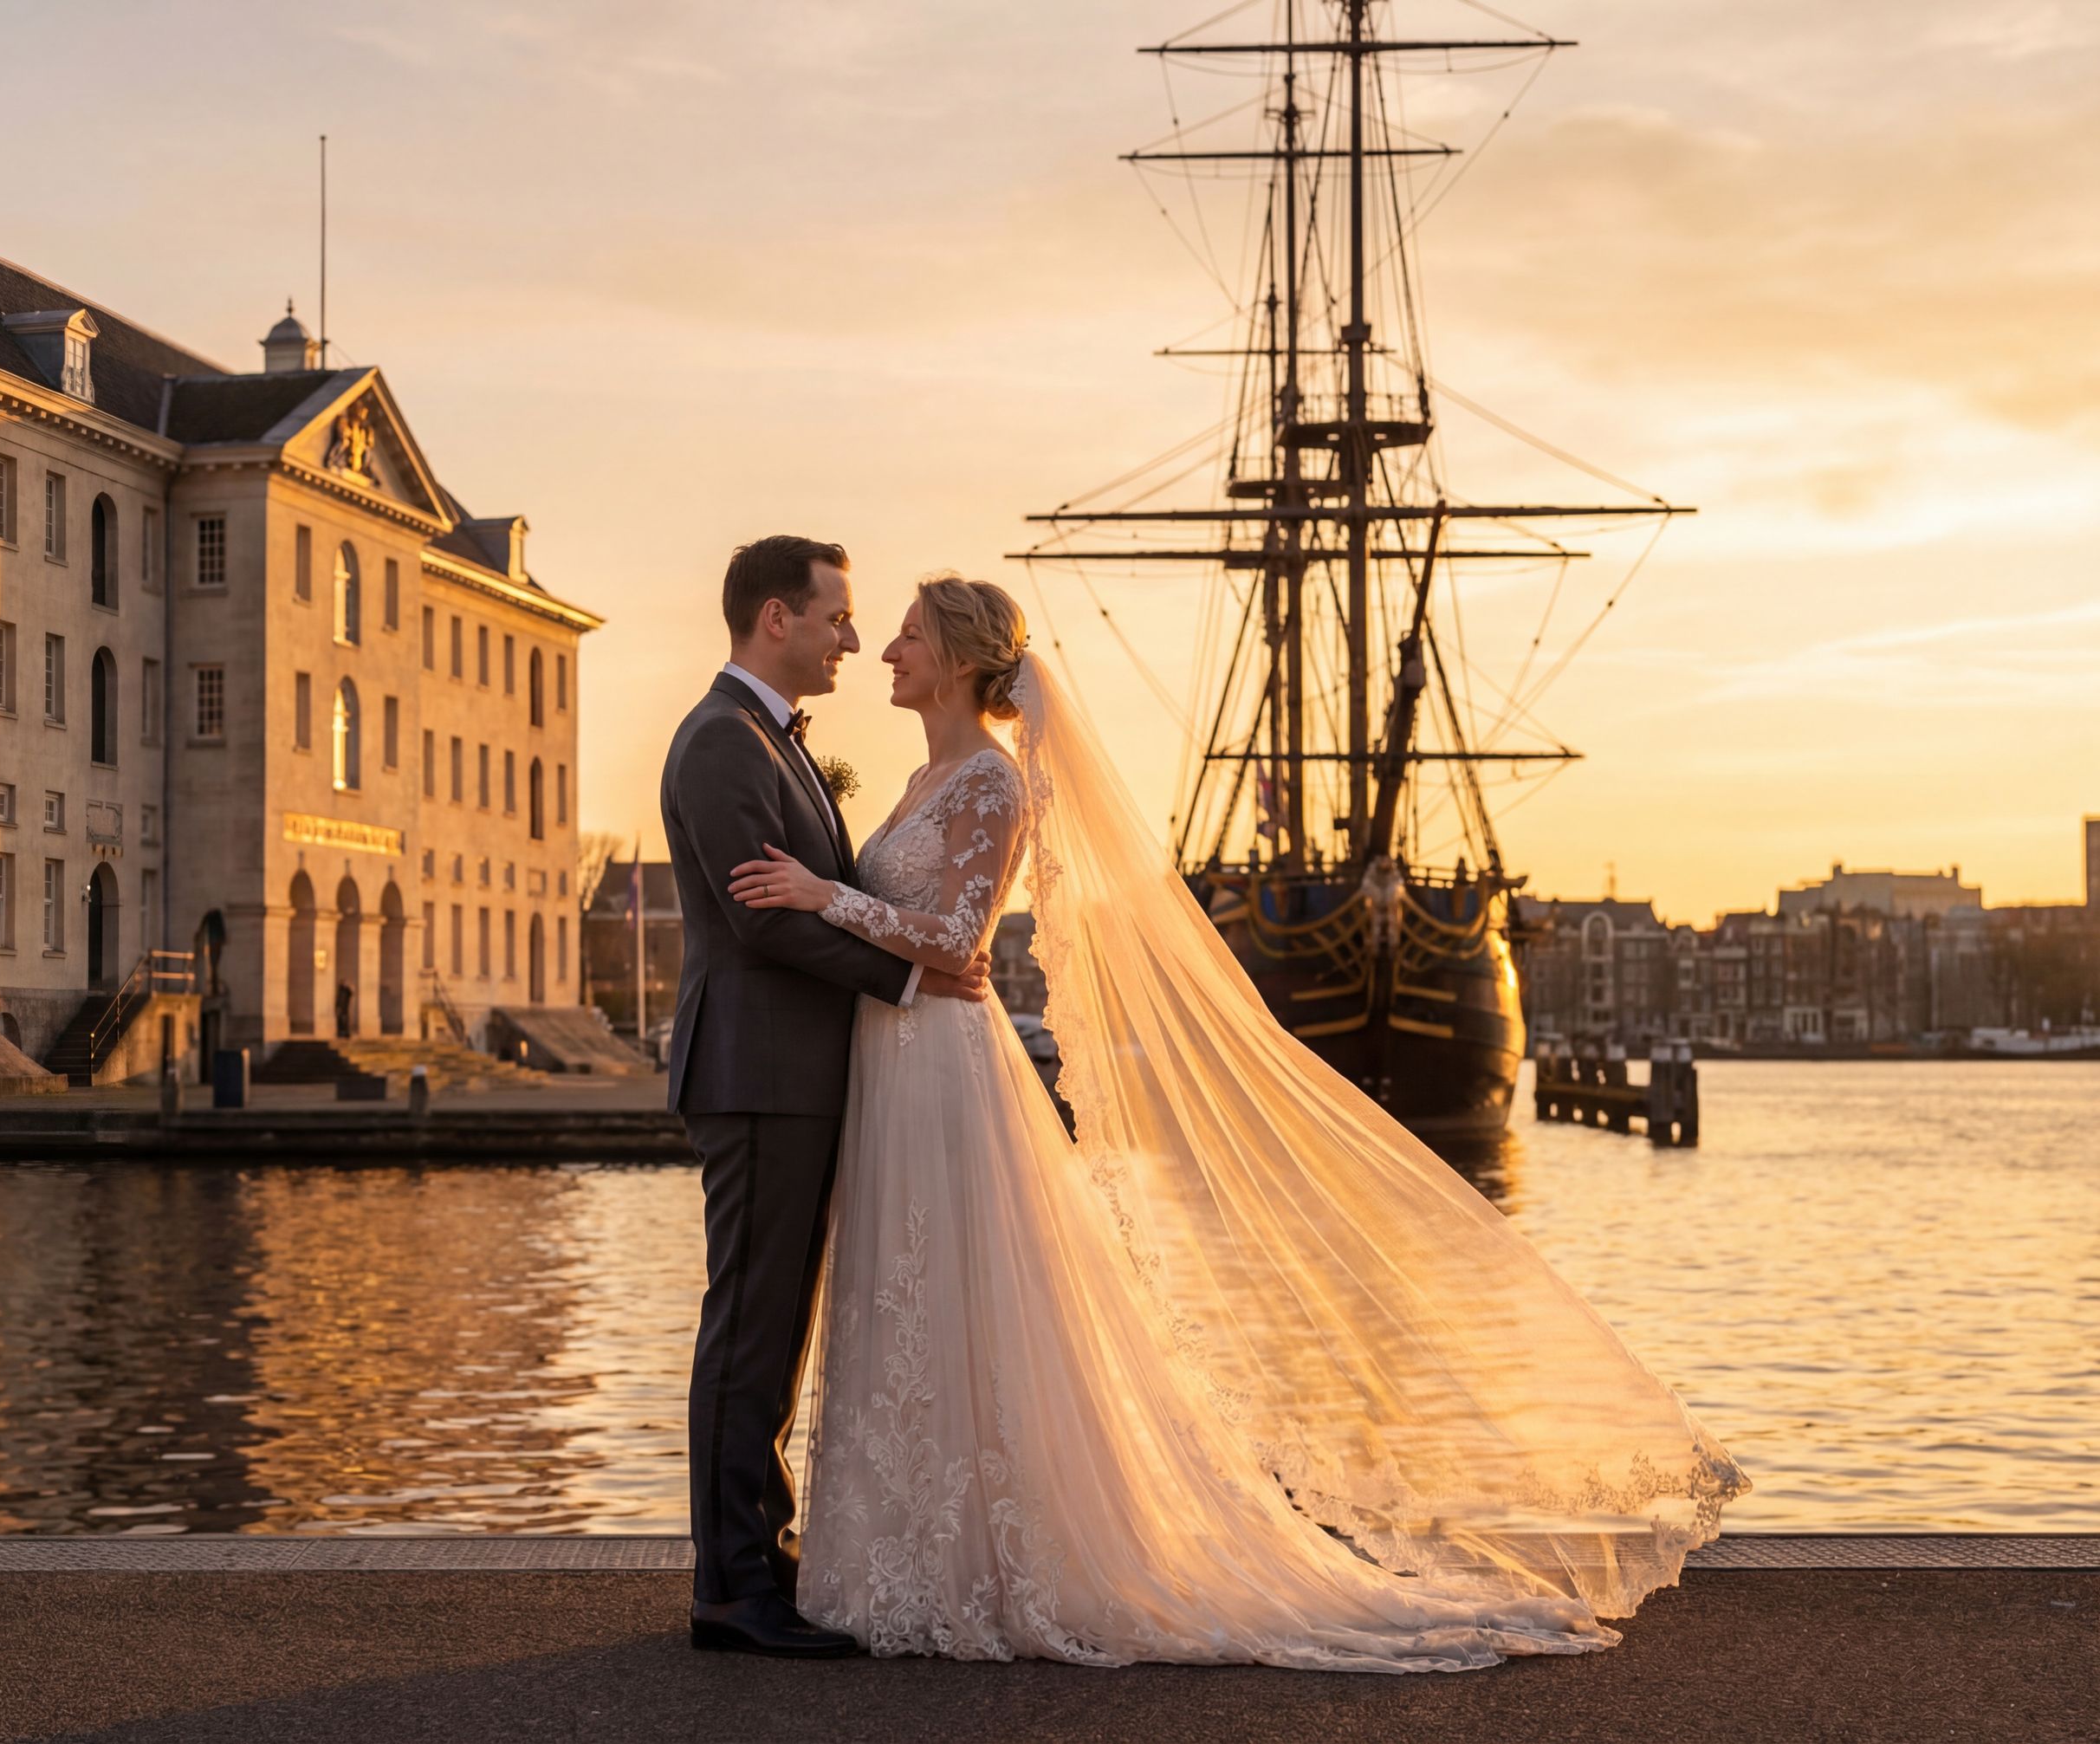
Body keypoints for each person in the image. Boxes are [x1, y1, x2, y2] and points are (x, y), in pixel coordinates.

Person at [729, 573, 1747, 1670]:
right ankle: (908, 1555)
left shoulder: (990, 782)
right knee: (905, 1297)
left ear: (963, 659)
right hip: (897, 1062)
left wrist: (822, 895)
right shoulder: (927, 774)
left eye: (910, 634)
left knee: (956, 1298)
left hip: (942, 1069)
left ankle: (981, 1561)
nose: (886, 648)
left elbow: (963, 940)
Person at [657, 537, 994, 1658]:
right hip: (755, 1077)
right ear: (774, 622)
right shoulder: (721, 743)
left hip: (795, 1078)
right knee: (748, 1329)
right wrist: (913, 970)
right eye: (836, 617)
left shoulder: (771, 741)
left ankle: (765, 1546)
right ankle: (728, 1588)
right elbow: (767, 917)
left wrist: (911, 952)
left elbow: (824, 896)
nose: (852, 638)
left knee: (778, 1328)